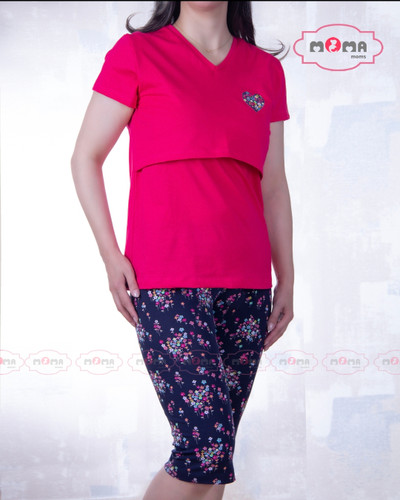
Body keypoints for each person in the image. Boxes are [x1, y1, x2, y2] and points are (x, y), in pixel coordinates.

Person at [71, 1, 294, 499]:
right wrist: (111, 256)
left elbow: (274, 186)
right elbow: (85, 157)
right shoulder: (137, 54)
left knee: (216, 456)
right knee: (204, 448)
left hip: (248, 283)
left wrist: (288, 279)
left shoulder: (265, 71)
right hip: (165, 279)